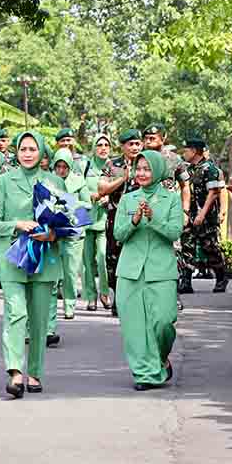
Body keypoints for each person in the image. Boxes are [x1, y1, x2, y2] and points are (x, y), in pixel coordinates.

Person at [0, 130, 63, 398]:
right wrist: (17, 224)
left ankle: (35, 372)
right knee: (16, 313)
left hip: (45, 258)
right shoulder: (5, 181)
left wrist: (52, 234)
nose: (28, 154)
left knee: (40, 320)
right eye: (23, 149)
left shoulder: (54, 182)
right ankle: (15, 373)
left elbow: (70, 223)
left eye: (33, 149)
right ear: (16, 152)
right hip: (13, 257)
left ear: (42, 152)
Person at [113, 150, 181, 391]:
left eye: (147, 168)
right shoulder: (128, 199)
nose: (141, 173)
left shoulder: (171, 198)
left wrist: (153, 219)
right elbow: (118, 235)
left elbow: (175, 232)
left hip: (161, 269)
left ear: (158, 170)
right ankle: (145, 374)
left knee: (163, 321)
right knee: (134, 327)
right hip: (130, 271)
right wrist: (134, 221)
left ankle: (161, 358)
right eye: (138, 168)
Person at [99, 129, 143, 316]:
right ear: (122, 146)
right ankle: (118, 298)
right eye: (130, 144)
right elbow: (102, 189)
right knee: (114, 260)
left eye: (137, 143)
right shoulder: (113, 164)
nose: (134, 147)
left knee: (138, 259)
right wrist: (122, 179)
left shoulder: (145, 162)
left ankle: (137, 300)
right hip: (117, 219)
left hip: (140, 220)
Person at [179, 136, 228, 294]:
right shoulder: (188, 169)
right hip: (190, 214)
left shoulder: (210, 169)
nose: (184, 153)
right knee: (187, 247)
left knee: (210, 248)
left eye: (186, 150)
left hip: (206, 217)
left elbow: (214, 193)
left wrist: (202, 214)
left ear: (194, 151)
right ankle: (186, 281)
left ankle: (221, 278)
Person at [50, 148, 91, 321]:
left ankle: (69, 305)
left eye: (64, 166)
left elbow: (88, 204)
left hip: (74, 232)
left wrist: (70, 202)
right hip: (55, 231)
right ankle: (50, 307)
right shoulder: (49, 181)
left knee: (70, 272)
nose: (61, 170)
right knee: (52, 272)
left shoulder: (79, 181)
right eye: (58, 166)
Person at [83, 134, 112, 311]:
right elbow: (76, 188)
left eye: (106, 145)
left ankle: (104, 292)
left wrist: (108, 196)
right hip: (86, 219)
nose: (103, 148)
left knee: (102, 259)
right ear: (94, 148)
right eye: (99, 145)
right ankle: (91, 297)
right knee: (87, 262)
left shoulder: (113, 166)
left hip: (105, 220)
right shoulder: (85, 165)